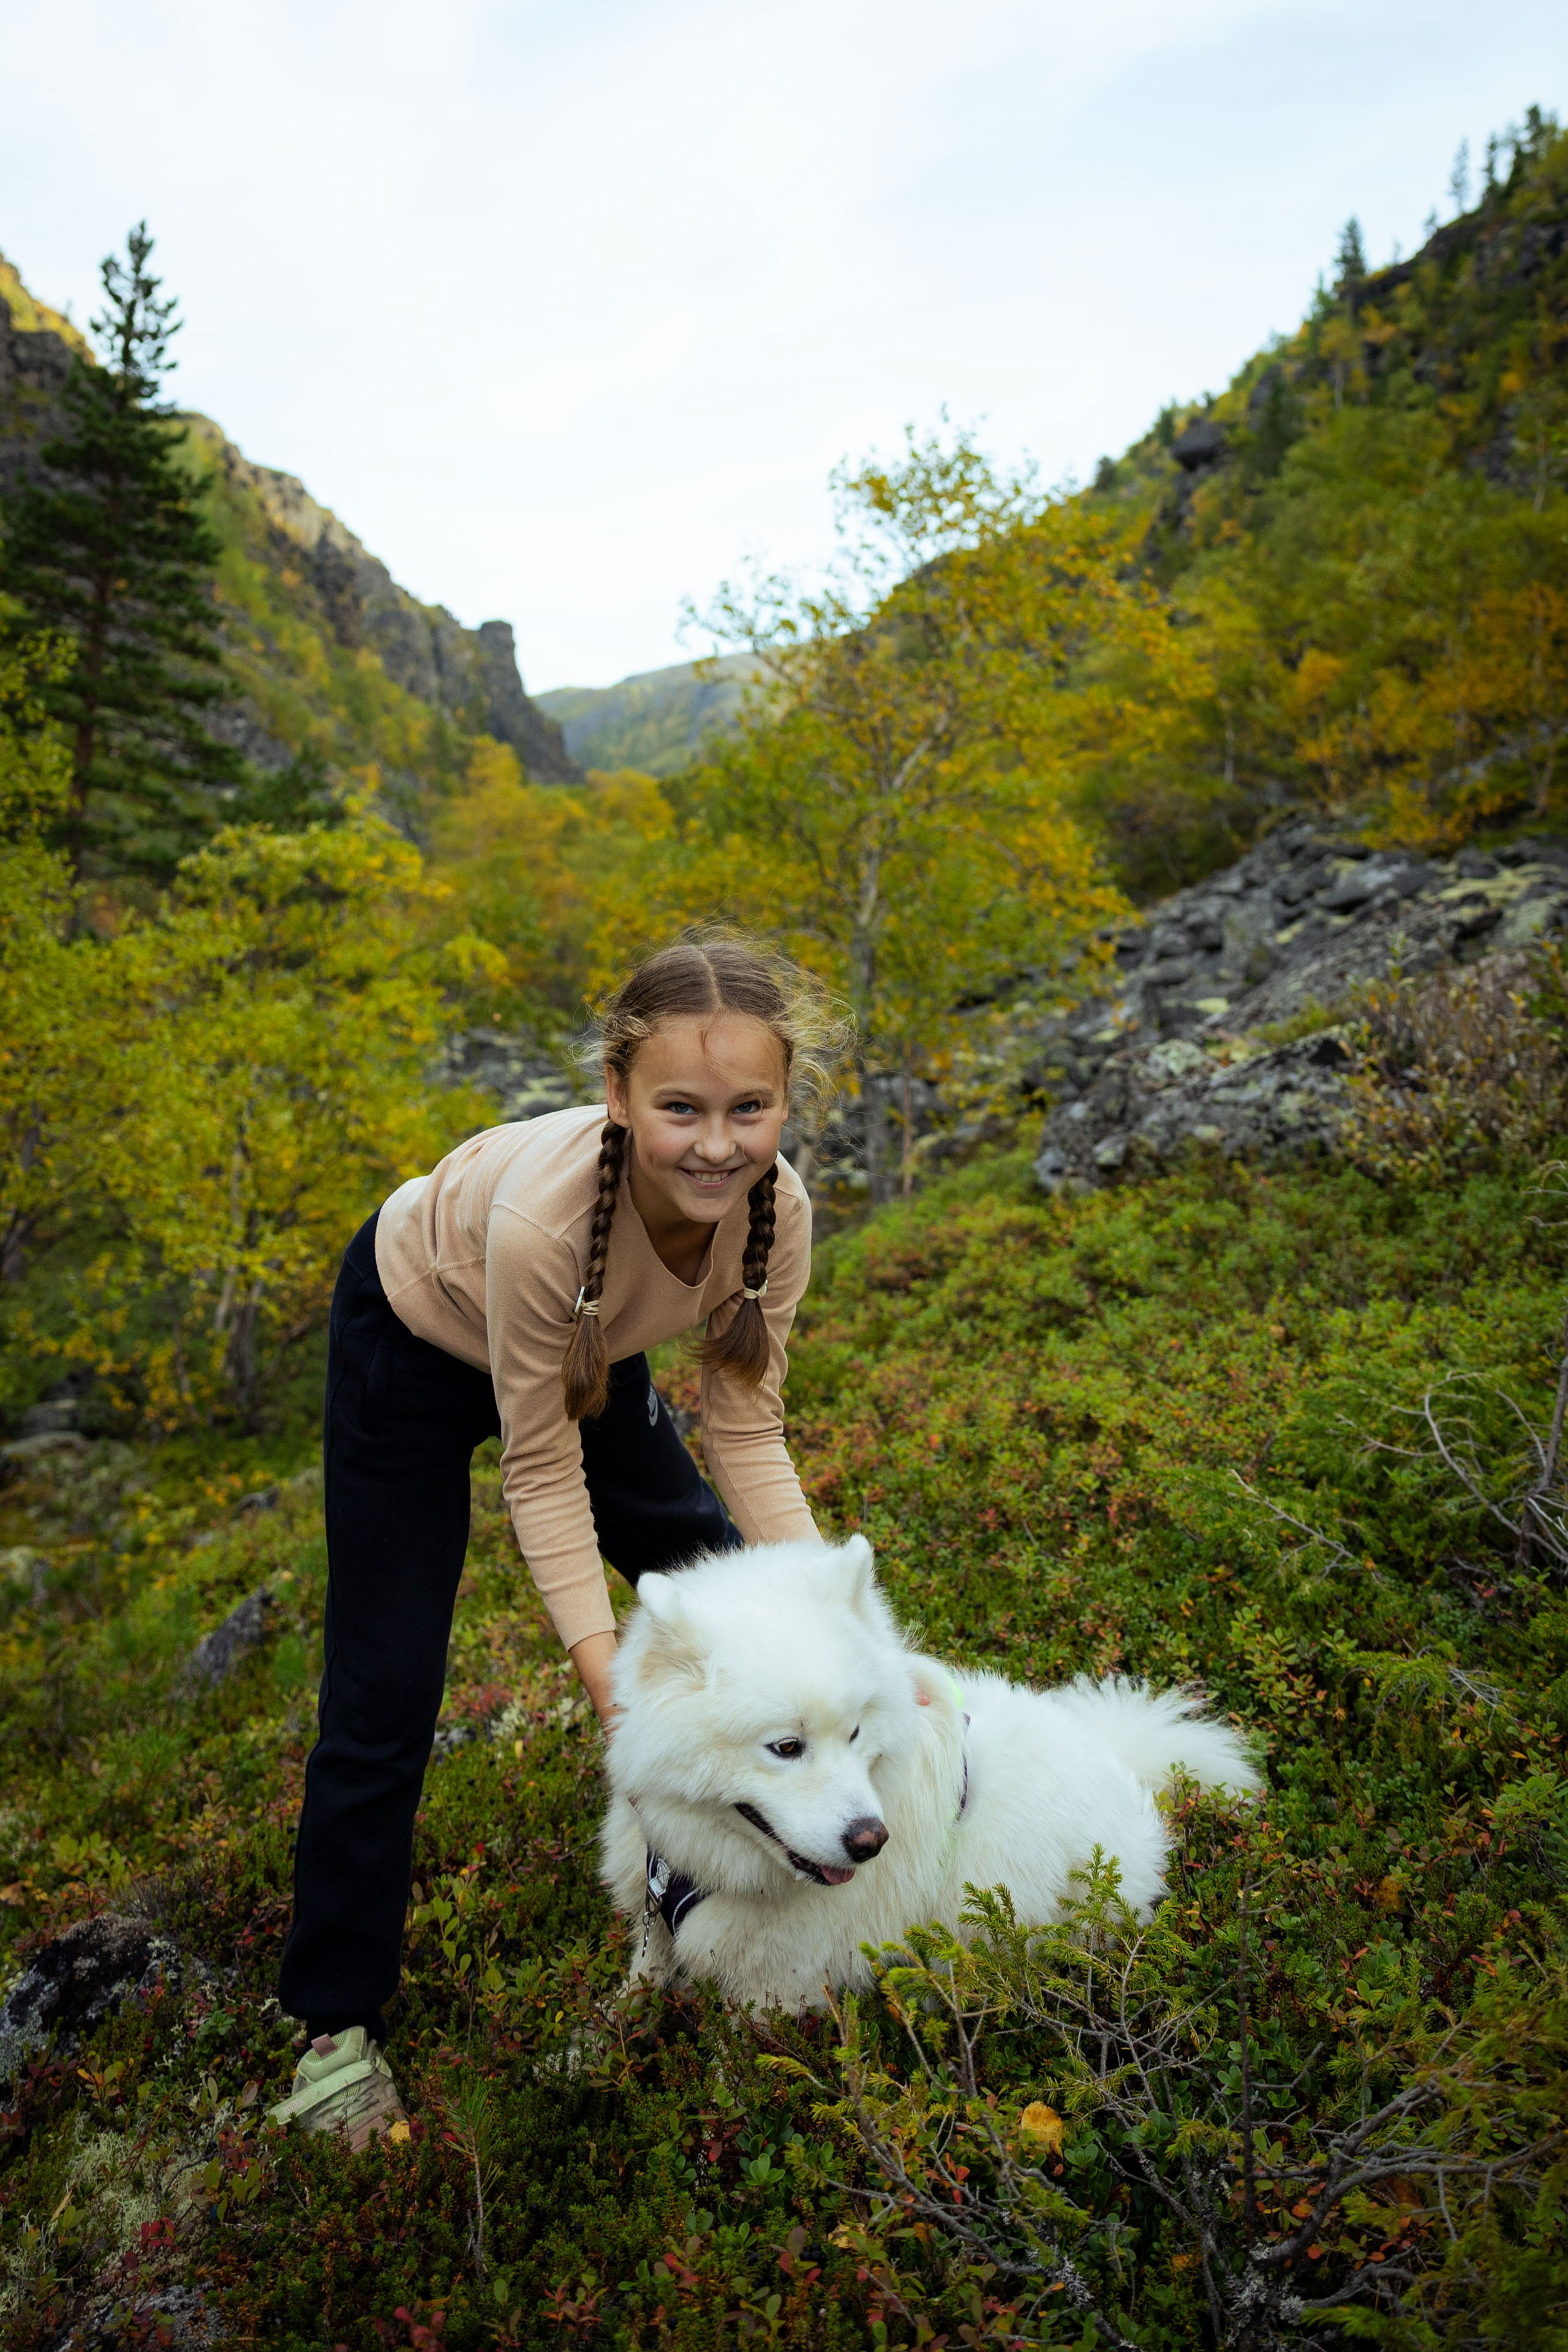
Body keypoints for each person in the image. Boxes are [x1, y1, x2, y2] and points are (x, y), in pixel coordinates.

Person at [270, 937, 843, 2145]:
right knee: (383, 1694)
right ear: (618, 1095)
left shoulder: (774, 1210)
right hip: (413, 1343)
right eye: (680, 1109)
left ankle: (710, 1900)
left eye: (748, 1108)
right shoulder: (548, 1219)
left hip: (583, 1339)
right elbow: (540, 1473)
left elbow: (748, 1434)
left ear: (785, 1102)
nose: (717, 1144)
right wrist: (610, 1685)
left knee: (717, 1589)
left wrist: (839, 1634)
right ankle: (333, 2026)